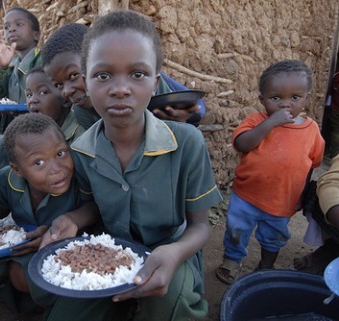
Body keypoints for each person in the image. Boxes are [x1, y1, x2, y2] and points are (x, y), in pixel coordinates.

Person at [40, 10, 223, 321]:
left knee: (171, 305)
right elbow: (93, 207)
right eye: (103, 75)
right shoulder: (82, 150)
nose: (120, 88)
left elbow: (200, 226)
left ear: (155, 81)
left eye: (137, 74)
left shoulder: (187, 142)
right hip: (111, 252)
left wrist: (175, 252)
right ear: (87, 80)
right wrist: (72, 219)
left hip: (171, 250)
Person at [0, 113, 94, 317]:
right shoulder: (6, 179)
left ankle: (54, 305)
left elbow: (94, 208)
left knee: (20, 275)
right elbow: (1, 204)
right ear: (17, 170)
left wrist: (71, 220)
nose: (57, 169)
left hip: (70, 243)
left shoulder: (78, 178)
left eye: (61, 153)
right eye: (38, 163)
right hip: (24, 244)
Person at [215, 60, 325, 285]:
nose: (286, 105)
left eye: (295, 97)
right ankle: (232, 261)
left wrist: (302, 196)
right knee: (236, 230)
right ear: (262, 99)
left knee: (274, 237)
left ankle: (266, 265)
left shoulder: (312, 130)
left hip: (282, 201)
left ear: (306, 97)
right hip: (246, 195)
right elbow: (243, 144)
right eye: (276, 98)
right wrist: (270, 124)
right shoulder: (256, 121)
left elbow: (311, 167)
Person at [41, 23, 205, 131]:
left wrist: (178, 125)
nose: (67, 91)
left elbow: (185, 118)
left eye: (73, 75)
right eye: (58, 85)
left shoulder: (143, 88)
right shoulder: (82, 112)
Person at [0, 7, 42, 133]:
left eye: (19, 24)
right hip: (13, 126)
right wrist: (1, 66)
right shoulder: (9, 63)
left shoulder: (43, 59)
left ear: (36, 34)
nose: (12, 29)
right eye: (6, 27)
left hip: (39, 125)